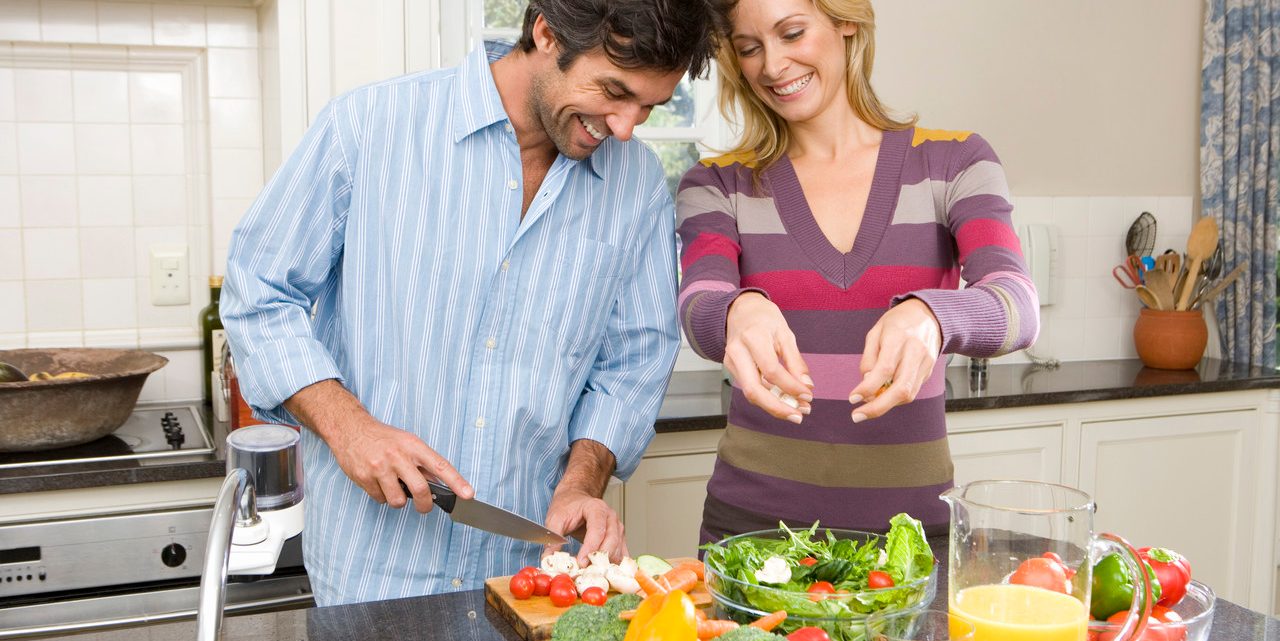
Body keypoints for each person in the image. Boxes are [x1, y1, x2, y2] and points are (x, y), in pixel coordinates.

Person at [222, 0, 716, 606]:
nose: (624, 127)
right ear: (545, 31)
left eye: (647, 106)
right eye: (613, 90)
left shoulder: (636, 182)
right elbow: (259, 292)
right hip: (371, 570)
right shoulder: (369, 127)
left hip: (528, 577)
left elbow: (633, 360)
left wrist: (581, 483)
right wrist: (350, 428)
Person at [677, 0, 1039, 542]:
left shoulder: (953, 163)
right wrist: (738, 309)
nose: (772, 66)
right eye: (750, 48)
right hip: (750, 537)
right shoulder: (718, 183)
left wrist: (931, 317)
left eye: (792, 33)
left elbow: (1016, 304)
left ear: (846, 20)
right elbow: (700, 303)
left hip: (911, 544)